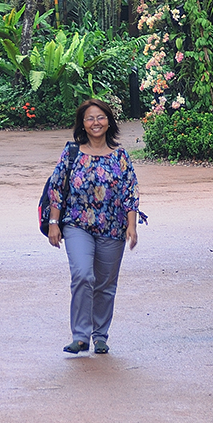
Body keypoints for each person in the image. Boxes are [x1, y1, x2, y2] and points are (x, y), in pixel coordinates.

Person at [46, 98, 143, 355]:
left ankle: (100, 336)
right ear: (83, 124)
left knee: (105, 285)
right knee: (82, 275)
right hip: (77, 224)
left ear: (109, 122)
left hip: (112, 227)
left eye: (100, 117)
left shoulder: (120, 156)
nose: (95, 122)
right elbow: (56, 189)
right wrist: (54, 223)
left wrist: (132, 226)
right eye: (90, 118)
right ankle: (80, 336)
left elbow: (130, 192)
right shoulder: (72, 152)